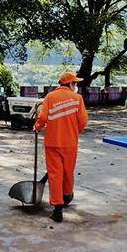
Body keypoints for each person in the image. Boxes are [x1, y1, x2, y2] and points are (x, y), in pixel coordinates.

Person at [34, 72, 88, 222]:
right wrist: (74, 131)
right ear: (70, 84)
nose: (75, 86)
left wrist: (37, 127)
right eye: (75, 83)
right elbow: (83, 121)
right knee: (68, 171)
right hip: (70, 143)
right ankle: (67, 196)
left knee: (55, 174)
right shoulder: (78, 99)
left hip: (52, 143)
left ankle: (57, 208)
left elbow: (43, 117)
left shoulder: (50, 97)